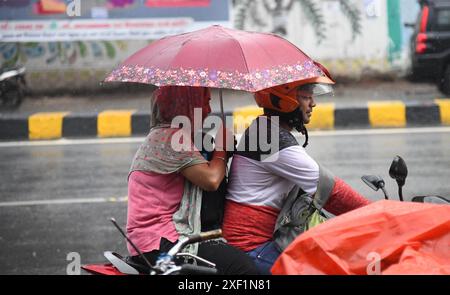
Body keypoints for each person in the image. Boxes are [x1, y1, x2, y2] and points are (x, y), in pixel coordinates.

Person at [221, 75, 371, 275]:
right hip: (253, 248)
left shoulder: (266, 129)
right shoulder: (271, 139)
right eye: (306, 96)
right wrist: (378, 213)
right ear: (286, 101)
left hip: (262, 240)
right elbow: (330, 190)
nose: (313, 103)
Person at [126, 85, 258, 275]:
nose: (209, 110)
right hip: (161, 242)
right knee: (242, 268)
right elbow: (211, 180)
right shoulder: (171, 137)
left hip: (146, 239)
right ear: (187, 104)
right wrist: (222, 147)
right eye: (205, 102)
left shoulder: (165, 134)